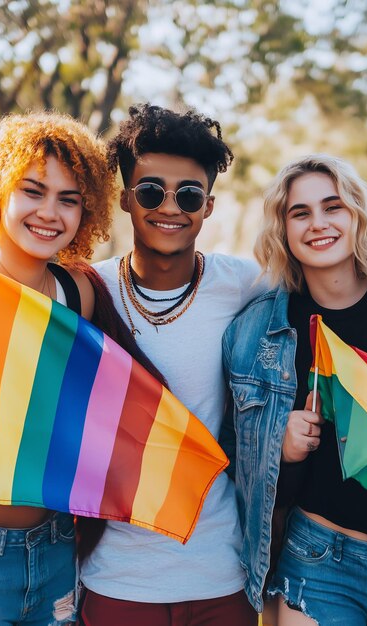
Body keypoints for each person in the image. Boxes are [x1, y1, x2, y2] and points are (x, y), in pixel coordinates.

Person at [0, 110, 161, 626]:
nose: (49, 213)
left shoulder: (76, 292)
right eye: (32, 191)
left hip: (57, 550)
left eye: (69, 199)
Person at [222, 154, 367, 626]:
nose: (318, 224)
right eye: (300, 213)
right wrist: (279, 445)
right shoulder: (254, 330)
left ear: (357, 216)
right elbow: (231, 453)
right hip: (315, 561)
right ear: (282, 228)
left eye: (334, 207)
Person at [78, 103, 264, 625]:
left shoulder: (247, 286)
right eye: (150, 191)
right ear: (124, 199)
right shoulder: (86, 289)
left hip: (220, 575)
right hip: (117, 577)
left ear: (207, 205)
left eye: (188, 195)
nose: (170, 207)